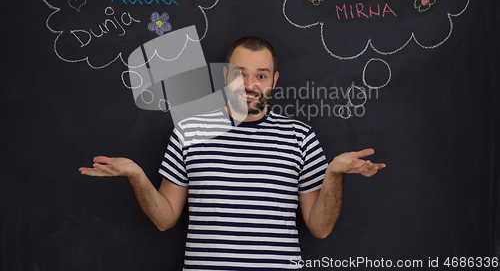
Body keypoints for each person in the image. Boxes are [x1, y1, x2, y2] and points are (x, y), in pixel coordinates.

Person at [80, 36, 386, 270]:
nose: (250, 84)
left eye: (261, 76)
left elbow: (320, 228)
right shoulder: (189, 132)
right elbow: (165, 219)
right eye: (240, 74)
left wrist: (333, 175)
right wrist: (136, 176)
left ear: (274, 81)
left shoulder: (300, 137)